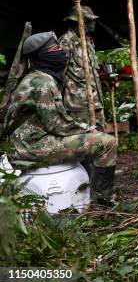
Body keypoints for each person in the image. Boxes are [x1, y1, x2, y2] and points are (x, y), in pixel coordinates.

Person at [3, 32, 117, 201]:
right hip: (32, 147)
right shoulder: (42, 82)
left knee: (93, 139)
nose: (61, 52)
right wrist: (86, 129)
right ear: (44, 56)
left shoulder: (37, 78)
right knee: (106, 143)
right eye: (56, 49)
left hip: (28, 143)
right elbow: (57, 125)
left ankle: (91, 194)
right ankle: (102, 201)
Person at [59, 6, 105, 129]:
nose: (94, 23)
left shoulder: (88, 42)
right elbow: (59, 74)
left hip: (96, 102)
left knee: (101, 137)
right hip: (77, 105)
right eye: (90, 20)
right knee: (84, 139)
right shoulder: (66, 42)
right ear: (80, 22)